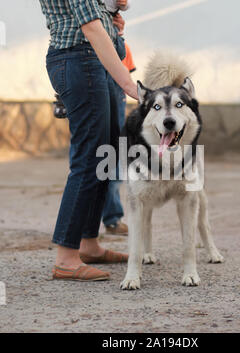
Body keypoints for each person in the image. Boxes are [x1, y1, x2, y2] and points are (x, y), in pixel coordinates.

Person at [39, 0, 138, 282]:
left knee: (105, 156)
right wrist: (129, 84)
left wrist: (113, 22)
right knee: (88, 160)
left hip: (94, 61)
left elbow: (98, 21)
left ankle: (88, 244)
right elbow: (91, 28)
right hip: (79, 60)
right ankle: (66, 257)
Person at [102, 42, 136, 236]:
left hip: (116, 100)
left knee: (112, 158)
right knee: (87, 160)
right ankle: (83, 225)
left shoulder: (123, 46)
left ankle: (112, 218)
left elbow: (126, 79)